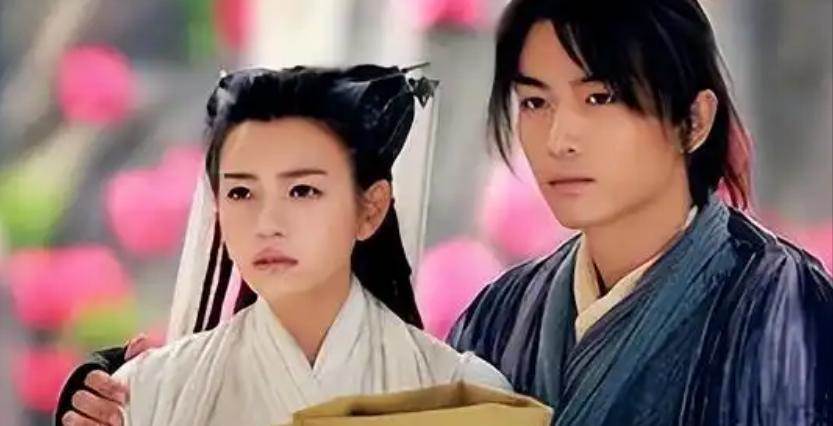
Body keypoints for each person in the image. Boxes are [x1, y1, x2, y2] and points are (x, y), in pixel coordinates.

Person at [447, 0, 833, 425]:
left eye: (599, 98)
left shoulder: (785, 304)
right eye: (535, 102)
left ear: (694, 120)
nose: (558, 141)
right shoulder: (499, 315)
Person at [58, 64, 510, 426]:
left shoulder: (466, 397)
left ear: (370, 209)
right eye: (242, 193)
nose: (267, 224)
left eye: (302, 191)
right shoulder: (151, 390)